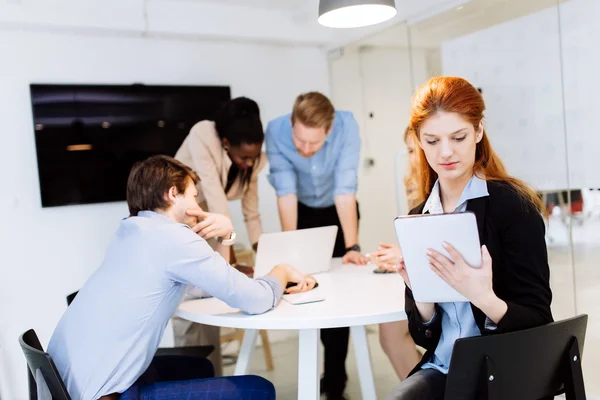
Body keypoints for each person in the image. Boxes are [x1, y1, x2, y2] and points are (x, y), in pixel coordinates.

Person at [47, 155, 316, 400]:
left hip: (67, 384)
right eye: (194, 196)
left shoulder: (131, 231)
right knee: (260, 390)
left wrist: (226, 236)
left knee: (201, 367)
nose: (198, 205)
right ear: (173, 193)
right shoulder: (175, 238)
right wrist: (281, 271)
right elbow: (255, 300)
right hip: (105, 394)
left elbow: (208, 285)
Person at [385, 76, 553, 399]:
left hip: (503, 368)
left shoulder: (514, 206)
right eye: (432, 141)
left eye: (458, 137)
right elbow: (422, 335)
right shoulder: (420, 217)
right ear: (418, 141)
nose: (445, 152)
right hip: (444, 367)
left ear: (478, 132)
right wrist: (421, 296)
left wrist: (483, 297)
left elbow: (539, 319)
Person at [265, 92, 367, 400]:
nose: (306, 150)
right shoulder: (276, 131)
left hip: (338, 210)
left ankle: (335, 379)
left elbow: (345, 190)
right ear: (292, 123)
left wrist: (352, 246)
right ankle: (314, 370)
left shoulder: (347, 127)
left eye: (315, 143)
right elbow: (285, 192)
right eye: (300, 141)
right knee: (307, 289)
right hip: (303, 211)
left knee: (340, 292)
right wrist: (290, 250)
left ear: (330, 129)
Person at [174, 97, 266, 375]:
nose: (249, 163)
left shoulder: (254, 160)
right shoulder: (204, 134)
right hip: (180, 220)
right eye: (243, 157)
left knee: (210, 307)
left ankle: (211, 379)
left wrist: (263, 254)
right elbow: (217, 202)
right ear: (226, 143)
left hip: (210, 221)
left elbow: (252, 211)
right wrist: (224, 268)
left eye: (254, 157)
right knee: (190, 303)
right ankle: (188, 379)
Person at [372, 127, 422, 380]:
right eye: (410, 151)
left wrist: (403, 254)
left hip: (452, 282)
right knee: (390, 330)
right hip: (426, 274)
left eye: (415, 150)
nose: (412, 159)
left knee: (392, 331)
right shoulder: (415, 182)